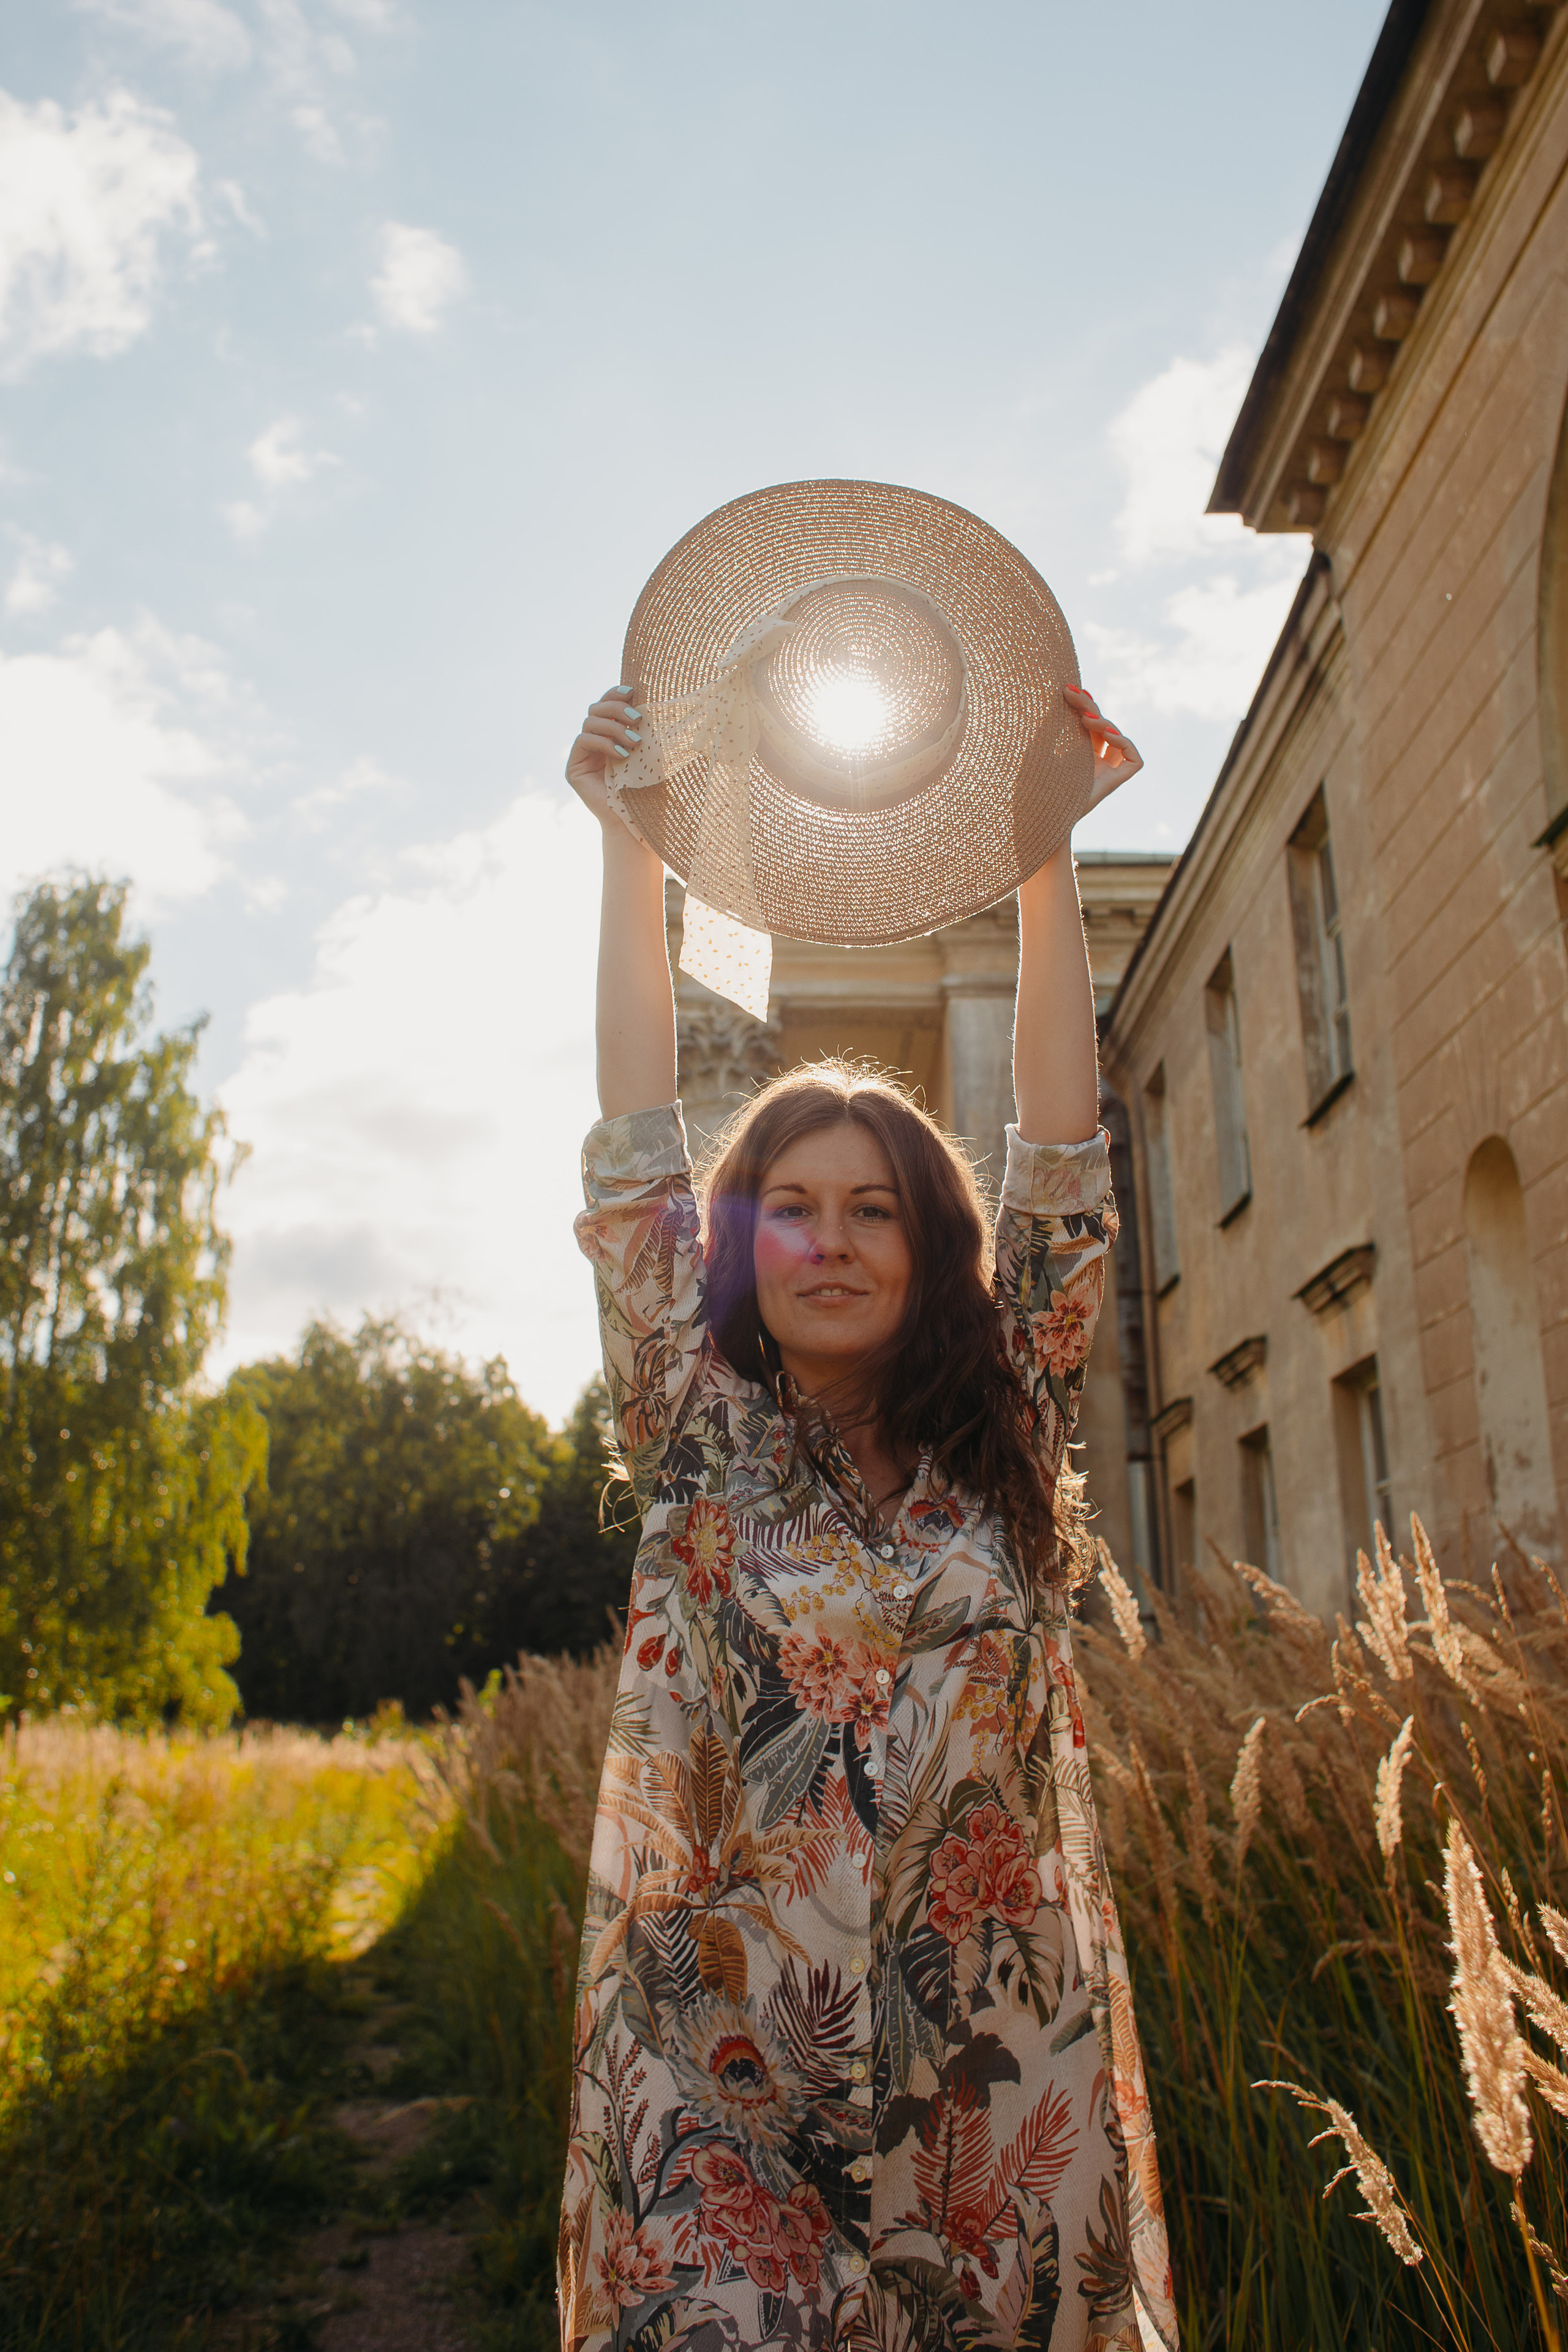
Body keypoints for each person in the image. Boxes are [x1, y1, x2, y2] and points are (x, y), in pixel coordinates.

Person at [558, 681, 1177, 2352]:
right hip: (715, 2083)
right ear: (741, 1249)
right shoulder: (694, 1430)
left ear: (930, 1251)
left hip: (997, 2080)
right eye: (794, 1211)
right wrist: (632, 855)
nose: (831, 1241)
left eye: (875, 1211)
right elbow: (634, 1150)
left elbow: (1059, 1155)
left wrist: (1046, 863)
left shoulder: (1008, 1437)